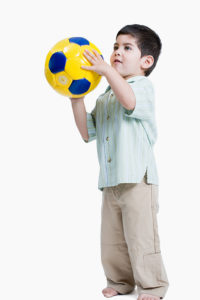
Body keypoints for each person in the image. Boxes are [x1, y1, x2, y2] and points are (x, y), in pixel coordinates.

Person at [70, 24, 169, 300]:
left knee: (141, 236)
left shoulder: (142, 87)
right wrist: (76, 97)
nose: (117, 52)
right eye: (115, 47)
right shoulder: (105, 97)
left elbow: (130, 102)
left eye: (127, 48)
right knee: (112, 239)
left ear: (146, 62)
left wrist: (106, 71)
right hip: (111, 181)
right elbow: (87, 132)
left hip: (138, 179)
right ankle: (121, 281)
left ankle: (152, 285)